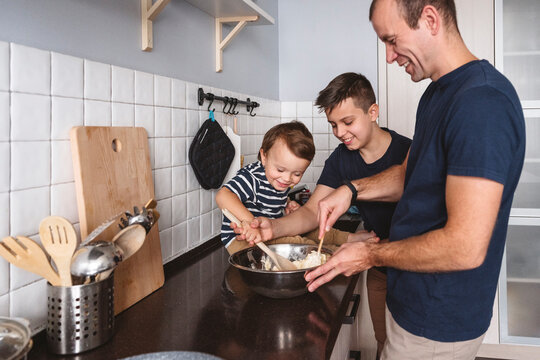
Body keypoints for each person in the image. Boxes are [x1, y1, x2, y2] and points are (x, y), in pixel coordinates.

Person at [303, 1, 526, 359]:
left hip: (437, 317)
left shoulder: (481, 103)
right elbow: (411, 175)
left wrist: (371, 255)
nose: (389, 57)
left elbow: (465, 246)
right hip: (410, 299)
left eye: (392, 40)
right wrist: (352, 189)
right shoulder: (437, 94)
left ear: (430, 19)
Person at [231, 72, 412, 358]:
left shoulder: (407, 151)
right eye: (333, 125)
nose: (340, 132)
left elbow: (410, 187)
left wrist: (352, 190)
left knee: (411, 347)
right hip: (379, 269)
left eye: (348, 122)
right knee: (384, 344)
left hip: (415, 266)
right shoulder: (341, 158)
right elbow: (312, 211)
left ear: (373, 112)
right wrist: (272, 228)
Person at [216, 120, 364, 255]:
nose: (287, 179)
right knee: (298, 243)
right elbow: (223, 195)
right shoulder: (252, 177)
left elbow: (266, 199)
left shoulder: (276, 180)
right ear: (264, 156)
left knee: (312, 229)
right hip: (242, 241)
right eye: (280, 170)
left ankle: (351, 238)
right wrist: (250, 223)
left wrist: (286, 203)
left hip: (267, 232)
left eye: (297, 173)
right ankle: (339, 254)